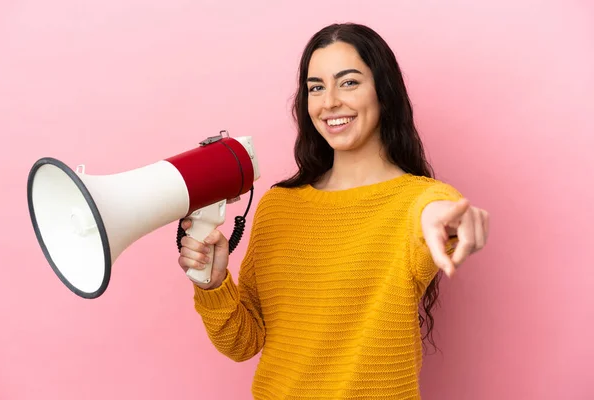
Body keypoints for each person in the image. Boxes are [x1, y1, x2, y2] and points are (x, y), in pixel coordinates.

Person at [177, 22, 489, 400]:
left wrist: (446, 218)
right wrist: (213, 284)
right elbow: (244, 343)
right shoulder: (278, 206)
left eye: (349, 82)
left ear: (384, 94)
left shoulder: (418, 200)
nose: (329, 103)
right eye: (316, 87)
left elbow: (433, 212)